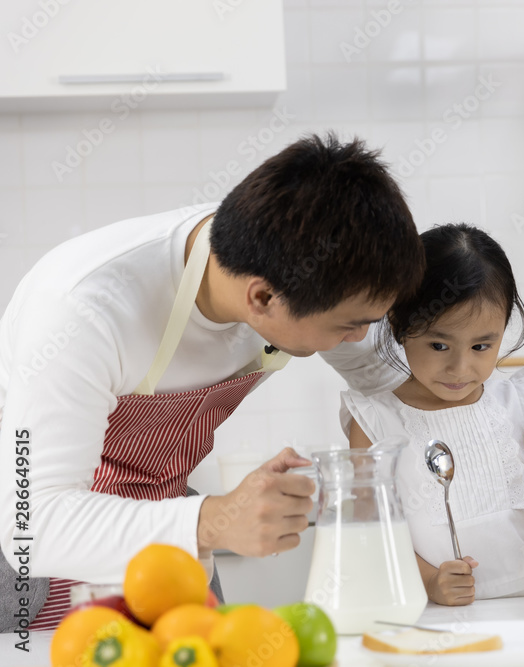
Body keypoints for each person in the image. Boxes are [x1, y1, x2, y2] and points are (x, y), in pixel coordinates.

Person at [0, 133, 424, 630]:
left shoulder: (300, 262)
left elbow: (397, 390)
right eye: (351, 324)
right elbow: (32, 525)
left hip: (167, 532)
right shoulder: (81, 310)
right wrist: (217, 519)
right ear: (262, 299)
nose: (362, 337)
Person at [343, 223, 524, 605]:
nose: (460, 368)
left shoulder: (517, 402)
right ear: (399, 325)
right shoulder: (373, 422)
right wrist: (432, 582)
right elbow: (378, 533)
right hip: (438, 619)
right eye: (439, 344)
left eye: (482, 346)